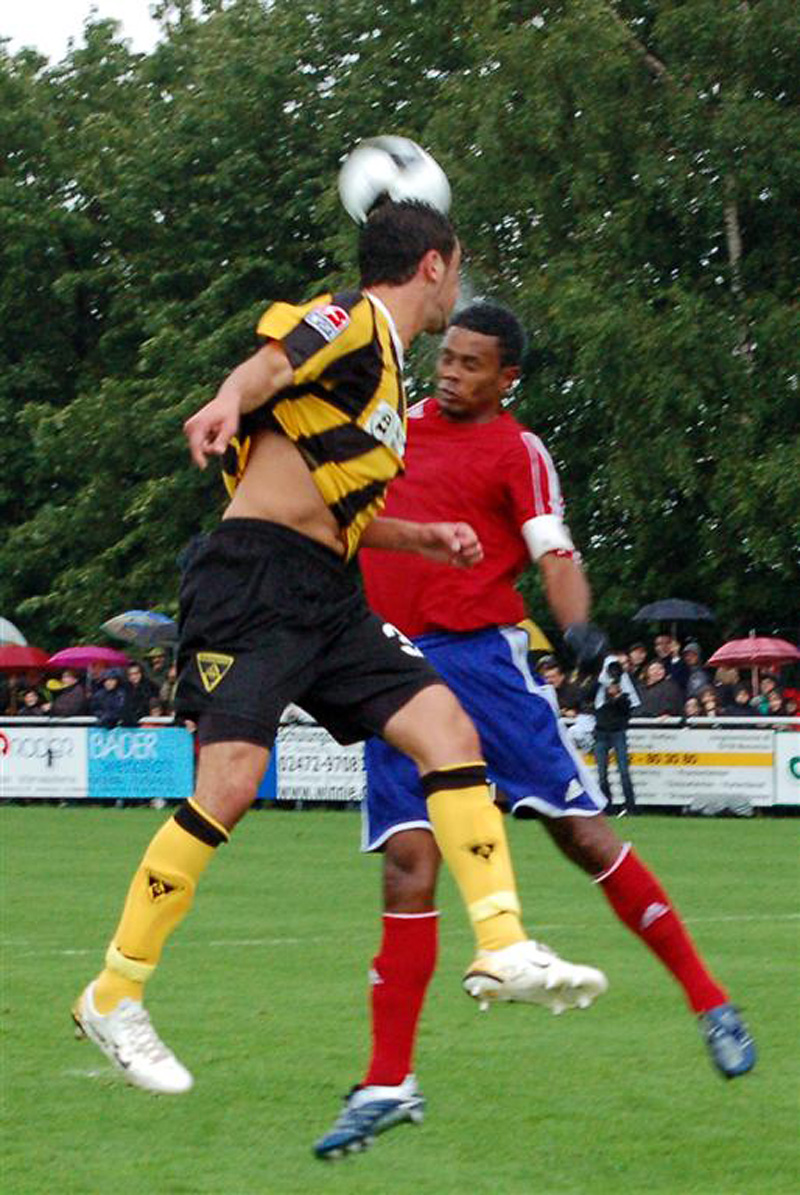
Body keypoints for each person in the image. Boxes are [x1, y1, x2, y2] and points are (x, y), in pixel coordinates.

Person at [72, 201, 605, 1100]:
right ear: (432, 266)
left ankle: (503, 942)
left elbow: (332, 505)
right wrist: (227, 398)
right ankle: (114, 993)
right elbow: (275, 359)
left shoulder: (382, 382)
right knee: (230, 785)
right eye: (456, 267)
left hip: (330, 593)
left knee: (446, 729)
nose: (458, 285)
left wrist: (422, 538)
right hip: (254, 580)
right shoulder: (354, 318)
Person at [313, 302, 755, 1159]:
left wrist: (577, 625)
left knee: (583, 836)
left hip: (484, 667)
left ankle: (710, 1000)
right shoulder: (391, 430)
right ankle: (387, 1080)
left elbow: (555, 551)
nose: (450, 372)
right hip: (390, 666)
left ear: (506, 377)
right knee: (407, 868)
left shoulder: (519, 450)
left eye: (471, 363)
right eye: (447, 356)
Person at [592, 655, 640, 817]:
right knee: (602, 773)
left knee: (623, 771)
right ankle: (607, 807)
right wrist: (601, 684)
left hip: (618, 731)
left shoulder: (624, 686)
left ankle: (631, 806)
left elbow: (629, 709)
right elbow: (586, 697)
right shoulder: (598, 686)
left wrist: (618, 696)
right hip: (601, 732)